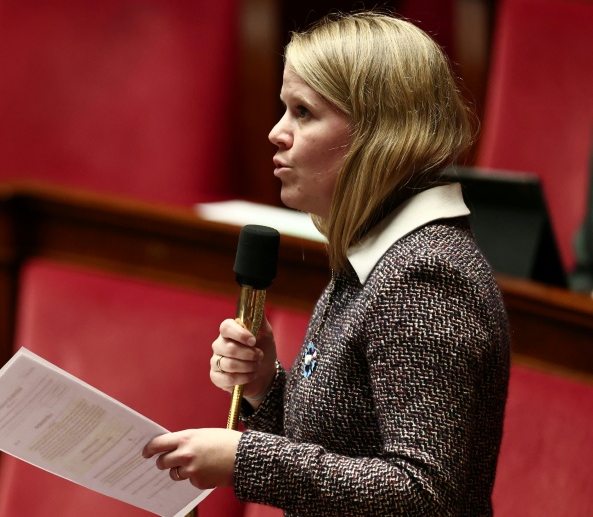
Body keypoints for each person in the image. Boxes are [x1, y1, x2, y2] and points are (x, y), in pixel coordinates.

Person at [143, 11, 511, 516]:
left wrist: (244, 459)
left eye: (303, 112)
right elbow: (344, 447)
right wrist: (266, 386)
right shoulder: (377, 253)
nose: (276, 132)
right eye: (283, 109)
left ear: (379, 134)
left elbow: (423, 493)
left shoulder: (425, 275)